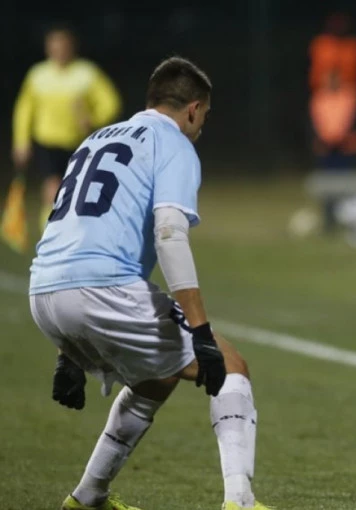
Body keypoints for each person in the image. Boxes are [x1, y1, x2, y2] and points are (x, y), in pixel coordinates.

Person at [28, 57, 272, 510]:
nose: (202, 126)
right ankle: (240, 501)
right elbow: (169, 234)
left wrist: (68, 351)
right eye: (204, 116)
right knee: (231, 367)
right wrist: (200, 331)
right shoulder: (172, 142)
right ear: (193, 109)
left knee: (157, 377)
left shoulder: (96, 139)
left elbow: (75, 230)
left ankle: (88, 497)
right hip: (102, 289)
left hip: (43, 289)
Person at [12, 25, 121, 233]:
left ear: (72, 47)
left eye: (63, 46)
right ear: (47, 48)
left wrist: (94, 119)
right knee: (52, 188)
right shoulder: (38, 75)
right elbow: (24, 110)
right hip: (48, 142)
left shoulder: (87, 73)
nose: (59, 51)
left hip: (80, 142)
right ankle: (50, 233)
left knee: (78, 191)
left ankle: (76, 232)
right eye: (54, 46)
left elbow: (110, 103)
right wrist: (21, 142)